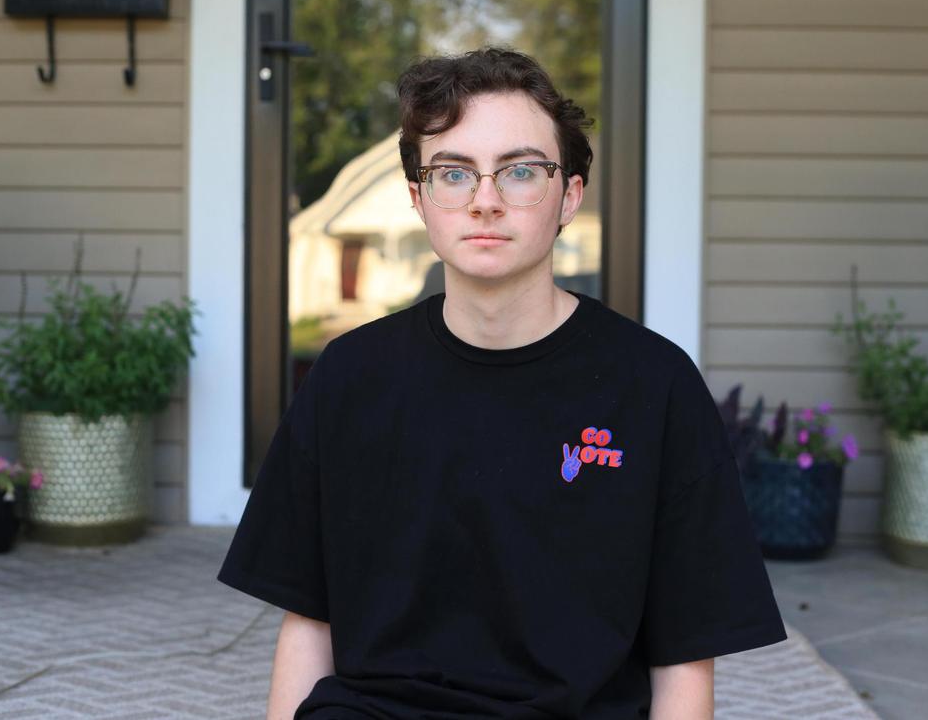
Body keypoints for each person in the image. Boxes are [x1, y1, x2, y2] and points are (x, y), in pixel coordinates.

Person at [218, 47, 787, 719]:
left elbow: (684, 656)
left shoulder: (654, 387)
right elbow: (309, 626)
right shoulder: (348, 377)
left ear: (569, 195)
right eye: (453, 173)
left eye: (520, 171)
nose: (485, 201)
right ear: (419, 198)